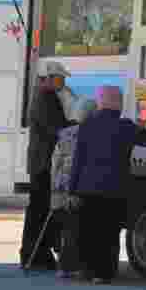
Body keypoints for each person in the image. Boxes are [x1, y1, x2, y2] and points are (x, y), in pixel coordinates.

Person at [69, 85, 140, 284]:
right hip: (114, 189)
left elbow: (78, 160)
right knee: (109, 233)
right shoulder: (126, 127)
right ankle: (103, 273)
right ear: (119, 104)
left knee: (89, 231)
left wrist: (72, 190)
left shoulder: (87, 126)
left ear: (100, 103)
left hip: (87, 188)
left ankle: (87, 270)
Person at [20, 60, 72, 271]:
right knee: (39, 210)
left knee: (38, 210)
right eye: (61, 78)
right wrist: (76, 126)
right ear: (50, 78)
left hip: (39, 162)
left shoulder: (43, 95)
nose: (63, 82)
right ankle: (34, 254)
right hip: (43, 163)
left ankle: (37, 253)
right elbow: (56, 128)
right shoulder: (46, 98)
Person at [51, 97, 97, 280]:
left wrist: (54, 188)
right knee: (79, 228)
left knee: (68, 228)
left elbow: (55, 162)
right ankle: (76, 265)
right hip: (78, 187)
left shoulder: (64, 134)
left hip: (61, 187)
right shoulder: (92, 134)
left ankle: (65, 266)